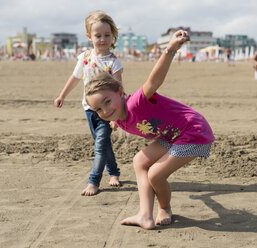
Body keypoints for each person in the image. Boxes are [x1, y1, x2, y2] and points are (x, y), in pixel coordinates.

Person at [85, 30, 215, 229]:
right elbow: (113, 116)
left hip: (193, 132)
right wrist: (112, 120)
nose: (105, 110)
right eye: (98, 109)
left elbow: (155, 80)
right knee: (139, 161)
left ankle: (165, 208)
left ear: (120, 92)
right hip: (173, 135)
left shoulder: (137, 102)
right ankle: (145, 215)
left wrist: (170, 49)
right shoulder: (117, 118)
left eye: (107, 102)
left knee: (155, 174)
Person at [54, 10, 123, 196]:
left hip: (107, 111)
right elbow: (75, 78)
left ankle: (94, 182)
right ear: (89, 37)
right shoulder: (85, 57)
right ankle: (114, 173)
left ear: (113, 35)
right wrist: (62, 95)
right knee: (103, 143)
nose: (102, 39)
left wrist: (117, 116)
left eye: (107, 35)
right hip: (89, 109)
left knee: (100, 145)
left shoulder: (114, 62)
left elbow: (119, 90)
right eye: (98, 35)